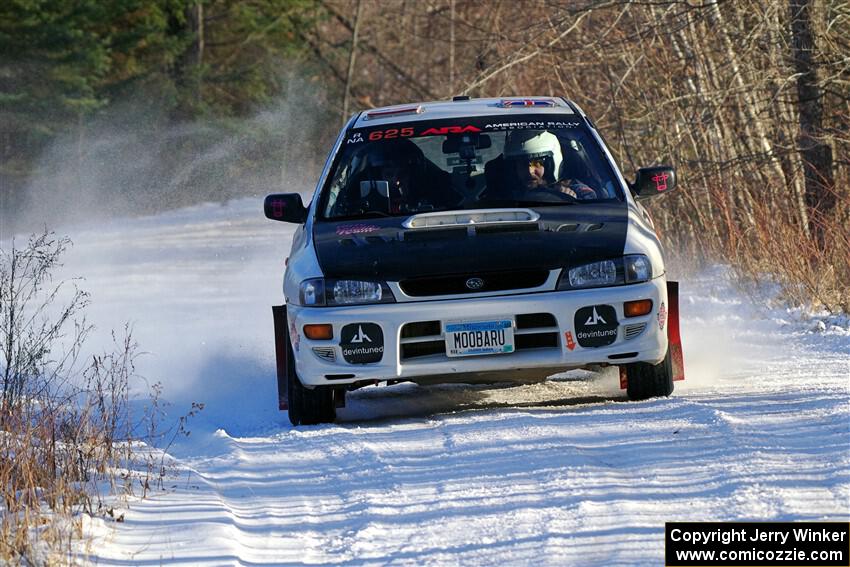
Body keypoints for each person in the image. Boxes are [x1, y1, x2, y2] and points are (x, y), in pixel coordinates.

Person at [484, 130, 597, 200]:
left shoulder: (573, 187)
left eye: (536, 163)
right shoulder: (503, 193)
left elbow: (593, 204)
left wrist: (572, 199)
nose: (530, 172)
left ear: (551, 164)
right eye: (522, 165)